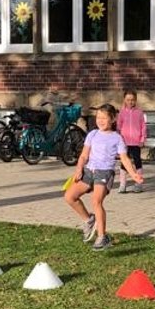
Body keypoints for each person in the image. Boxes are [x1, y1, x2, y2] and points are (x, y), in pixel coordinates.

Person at [64, 104, 144, 250]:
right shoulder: (92, 134)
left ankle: (102, 237)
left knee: (96, 202)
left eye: (104, 118)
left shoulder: (117, 138)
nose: (100, 121)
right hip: (89, 171)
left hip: (104, 172)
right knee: (69, 196)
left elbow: (125, 159)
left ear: (113, 119)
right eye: (98, 117)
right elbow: (83, 155)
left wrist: (134, 175)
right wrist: (78, 169)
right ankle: (89, 220)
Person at [117, 90, 146, 193]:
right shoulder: (122, 113)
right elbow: (119, 127)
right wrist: (119, 140)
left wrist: (142, 139)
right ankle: (122, 184)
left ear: (136, 100)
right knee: (124, 163)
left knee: (137, 162)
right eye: (128, 100)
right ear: (124, 100)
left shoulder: (139, 112)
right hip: (124, 143)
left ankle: (138, 184)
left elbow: (143, 127)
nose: (130, 102)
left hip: (136, 142)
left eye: (133, 100)